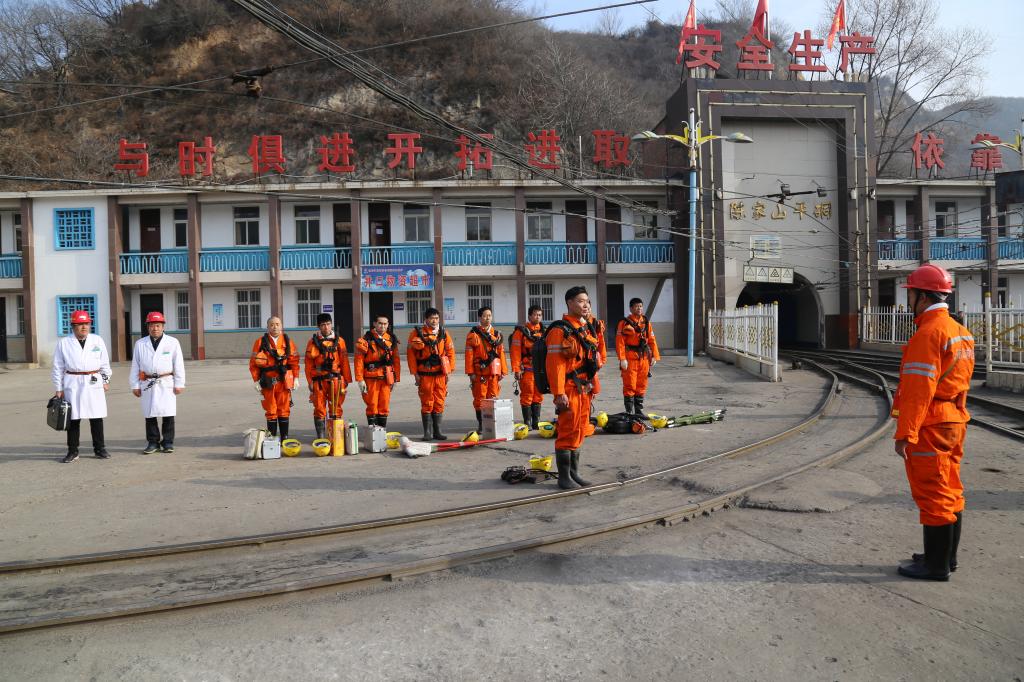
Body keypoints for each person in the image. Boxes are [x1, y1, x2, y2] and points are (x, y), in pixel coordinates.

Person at [892, 263, 974, 581]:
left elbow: (918, 391)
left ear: (923, 297)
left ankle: (935, 566)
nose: (909, 300)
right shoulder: (959, 331)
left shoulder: (928, 334)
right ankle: (946, 557)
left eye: (911, 294)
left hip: (932, 424)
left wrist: (906, 433)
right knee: (951, 487)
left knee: (932, 492)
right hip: (954, 420)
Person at [546, 286, 601, 489]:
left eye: (587, 301)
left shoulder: (585, 328)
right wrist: (558, 393)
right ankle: (563, 477)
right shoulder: (560, 330)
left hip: (584, 388)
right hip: (569, 389)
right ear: (569, 303)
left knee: (580, 430)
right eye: (580, 301)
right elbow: (555, 365)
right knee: (568, 431)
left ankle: (573, 473)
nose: (585, 305)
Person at [52, 309, 112, 463]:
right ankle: (73, 451)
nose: (84, 327)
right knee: (73, 419)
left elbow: (105, 363)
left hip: (94, 380)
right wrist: (59, 388)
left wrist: (105, 380)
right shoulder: (64, 343)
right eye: (80, 324)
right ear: (73, 326)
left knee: (96, 417)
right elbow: (58, 367)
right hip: (73, 382)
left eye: (86, 324)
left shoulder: (97, 340)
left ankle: (99, 449)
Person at [129, 311, 186, 454]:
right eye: (152, 325)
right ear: (147, 327)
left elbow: (178, 364)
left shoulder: (172, 342)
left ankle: (168, 442)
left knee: (168, 414)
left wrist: (179, 383)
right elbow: (135, 365)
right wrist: (135, 385)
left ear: (163, 326)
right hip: (147, 382)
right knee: (149, 414)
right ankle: (153, 442)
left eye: (158, 325)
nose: (155, 328)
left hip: (166, 382)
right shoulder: (140, 344)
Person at [407, 307, 455, 441]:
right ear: (426, 319)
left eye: (437, 318)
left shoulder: (444, 334)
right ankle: (427, 432)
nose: (434, 321)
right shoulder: (416, 334)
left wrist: (449, 371)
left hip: (440, 374)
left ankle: (437, 431)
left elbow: (450, 353)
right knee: (427, 402)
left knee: (439, 401)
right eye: (432, 318)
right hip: (425, 374)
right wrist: (415, 374)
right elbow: (411, 356)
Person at [249, 316, 300, 439]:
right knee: (271, 410)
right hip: (268, 383)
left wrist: (296, 378)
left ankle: (284, 438)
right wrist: (256, 380)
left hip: (283, 382)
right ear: (267, 327)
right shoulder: (260, 342)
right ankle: (272, 439)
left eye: (277, 324)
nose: (275, 327)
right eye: (272, 324)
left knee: (284, 409)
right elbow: (253, 363)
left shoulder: (288, 342)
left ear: (281, 326)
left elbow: (294, 362)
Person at [304, 313, 352, 439]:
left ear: (331, 324)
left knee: (336, 408)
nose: (326, 327)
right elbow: (308, 364)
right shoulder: (312, 342)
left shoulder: (340, 341)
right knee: (319, 408)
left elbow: (344, 361)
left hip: (336, 380)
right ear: (318, 326)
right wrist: (309, 381)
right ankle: (321, 438)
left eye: (328, 324)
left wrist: (346, 380)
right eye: (323, 325)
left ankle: (335, 438)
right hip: (319, 381)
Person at [465, 306, 508, 433]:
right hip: (480, 374)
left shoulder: (497, 335)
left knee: (493, 398)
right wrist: (470, 373)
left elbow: (501, 353)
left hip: (494, 373)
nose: (487, 318)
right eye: (485, 316)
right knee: (480, 400)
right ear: (480, 317)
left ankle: (491, 425)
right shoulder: (473, 334)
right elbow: (469, 355)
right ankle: (481, 425)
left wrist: (503, 371)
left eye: (489, 315)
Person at [615, 297, 660, 415]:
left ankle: (639, 412)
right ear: (631, 308)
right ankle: (629, 413)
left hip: (644, 358)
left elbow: (652, 340)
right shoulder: (624, 323)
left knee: (641, 385)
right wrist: (622, 359)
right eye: (636, 306)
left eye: (640, 306)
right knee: (630, 385)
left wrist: (654, 356)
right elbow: (620, 342)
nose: (639, 308)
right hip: (630, 358)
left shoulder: (646, 322)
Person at [355, 314, 401, 427]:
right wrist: (360, 380)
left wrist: (396, 378)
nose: (382, 326)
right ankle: (373, 433)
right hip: (371, 378)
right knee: (372, 405)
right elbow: (359, 361)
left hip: (386, 377)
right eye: (380, 323)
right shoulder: (365, 339)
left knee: (384, 405)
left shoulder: (391, 339)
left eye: (385, 324)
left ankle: (381, 432)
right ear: (374, 324)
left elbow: (396, 360)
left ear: (388, 325)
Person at [510, 305, 545, 429]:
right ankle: (528, 422)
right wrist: (516, 369)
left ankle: (536, 421)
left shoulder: (545, 332)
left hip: (540, 370)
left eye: (540, 315)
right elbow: (515, 352)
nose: (538, 317)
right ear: (529, 316)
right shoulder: (521, 332)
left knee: (539, 395)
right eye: (535, 314)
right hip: (527, 370)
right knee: (527, 395)